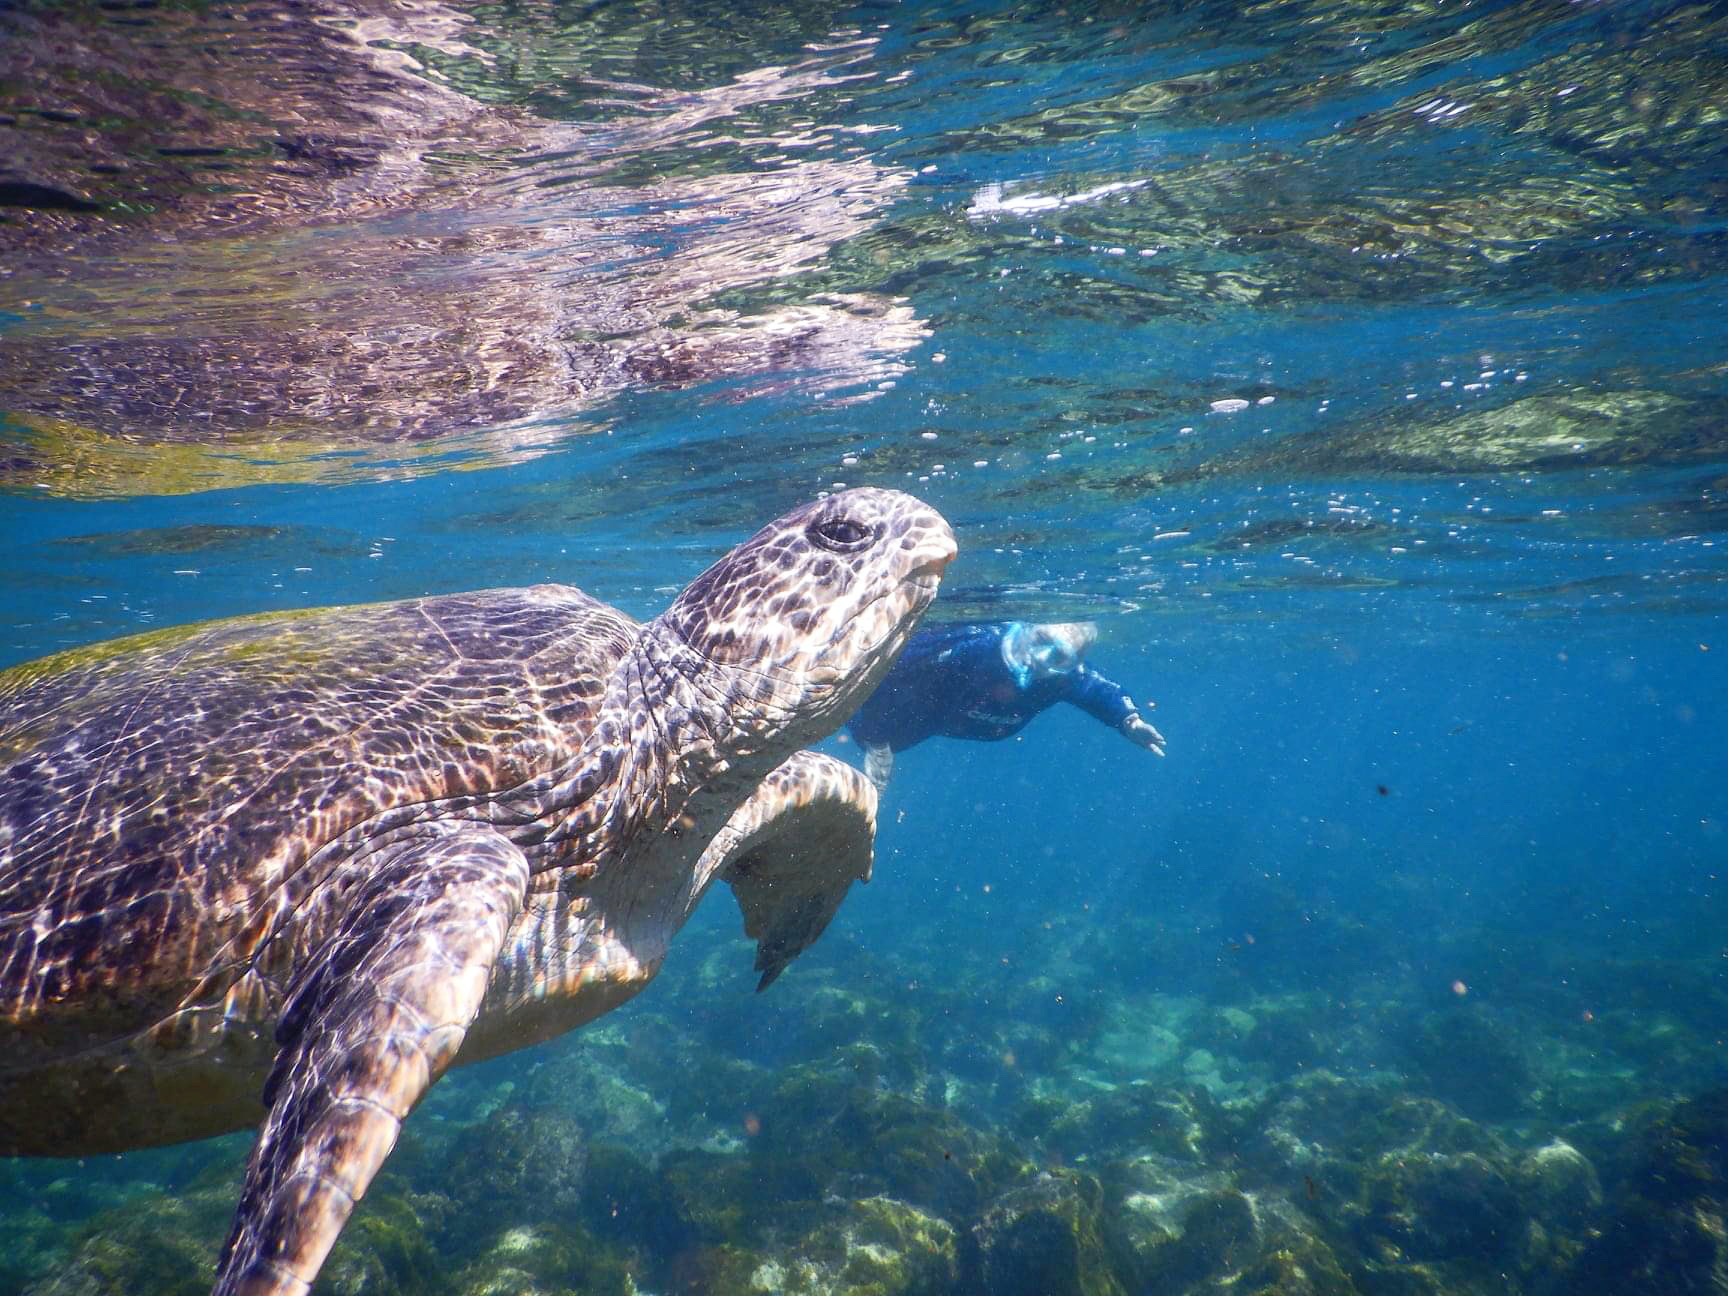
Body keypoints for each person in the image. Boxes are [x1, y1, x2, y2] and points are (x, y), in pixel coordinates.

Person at [845, 620, 1166, 791]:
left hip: (956, 720)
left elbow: (1097, 689)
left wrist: (1129, 721)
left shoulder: (1062, 679)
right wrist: (876, 737)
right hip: (922, 712)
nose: (1040, 661)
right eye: (1040, 641)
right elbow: (895, 664)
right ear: (1025, 631)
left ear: (1073, 663)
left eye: (1058, 657)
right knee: (884, 732)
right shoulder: (976, 647)